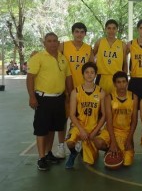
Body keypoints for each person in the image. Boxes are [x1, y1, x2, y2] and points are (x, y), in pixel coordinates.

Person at [26, 32, 73, 171]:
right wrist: (32, 97)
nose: (52, 43)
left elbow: (68, 78)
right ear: (44, 43)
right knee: (41, 129)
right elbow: (30, 78)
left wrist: (70, 95)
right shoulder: (38, 57)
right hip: (43, 98)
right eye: (49, 41)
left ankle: (48, 153)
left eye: (55, 41)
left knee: (52, 128)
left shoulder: (63, 59)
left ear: (58, 43)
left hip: (59, 98)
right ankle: (41, 158)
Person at [57, 22, 94, 158]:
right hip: (66, 89)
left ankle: (78, 141)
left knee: (81, 117)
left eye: (82, 32)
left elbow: (92, 67)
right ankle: (61, 146)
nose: (79, 34)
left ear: (85, 34)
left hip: (82, 90)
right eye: (77, 31)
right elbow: (52, 56)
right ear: (73, 32)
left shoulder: (88, 48)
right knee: (64, 118)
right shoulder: (64, 45)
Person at [65, 62, 106, 169]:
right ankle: (73, 153)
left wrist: (95, 131)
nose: (89, 75)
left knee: (90, 162)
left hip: (93, 128)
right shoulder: (76, 92)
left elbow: (104, 115)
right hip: (79, 126)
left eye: (92, 72)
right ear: (83, 74)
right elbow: (72, 115)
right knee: (69, 142)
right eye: (87, 72)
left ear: (95, 74)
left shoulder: (101, 92)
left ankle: (87, 148)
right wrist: (81, 130)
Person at [94, 71, 138, 167]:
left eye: (124, 82)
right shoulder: (109, 97)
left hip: (125, 132)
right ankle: (110, 149)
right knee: (97, 142)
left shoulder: (134, 97)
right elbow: (109, 121)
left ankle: (123, 149)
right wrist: (113, 143)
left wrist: (129, 139)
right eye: (118, 82)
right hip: (111, 130)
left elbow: (134, 121)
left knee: (127, 163)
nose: (122, 85)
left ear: (127, 82)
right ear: (114, 84)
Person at [94, 19, 127, 94]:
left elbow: (125, 62)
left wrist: (124, 79)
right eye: (109, 28)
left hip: (116, 78)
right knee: (100, 103)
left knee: (115, 103)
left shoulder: (122, 45)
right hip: (101, 77)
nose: (111, 31)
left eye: (114, 28)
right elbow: (91, 56)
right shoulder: (100, 42)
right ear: (105, 29)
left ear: (117, 30)